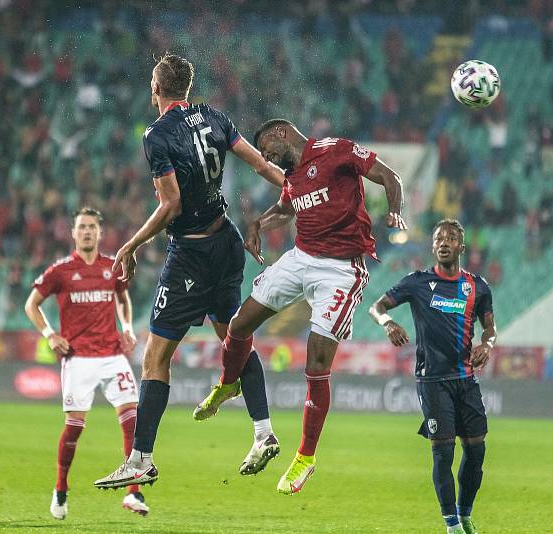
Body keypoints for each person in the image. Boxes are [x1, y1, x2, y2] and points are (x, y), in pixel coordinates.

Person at [93, 54, 287, 490]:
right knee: (235, 339)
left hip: (192, 255)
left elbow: (171, 204)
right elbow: (259, 164)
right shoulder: (214, 116)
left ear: (156, 89)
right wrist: (298, 187)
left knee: (155, 358)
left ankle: (140, 459)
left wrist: (130, 244)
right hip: (227, 243)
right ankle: (263, 431)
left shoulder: (156, 136)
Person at [193, 118, 406, 495]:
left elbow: (390, 177)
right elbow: (285, 209)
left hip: (341, 270)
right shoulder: (293, 178)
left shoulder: (335, 151)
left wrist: (394, 212)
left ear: (279, 135)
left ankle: (305, 457)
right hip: (300, 258)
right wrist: (258, 223)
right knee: (240, 324)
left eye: (267, 150)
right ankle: (228, 384)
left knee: (316, 363)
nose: (266, 159)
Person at [368, 219, 496, 534]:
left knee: (476, 450)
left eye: (451, 238)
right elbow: (377, 306)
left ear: (461, 247)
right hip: (432, 379)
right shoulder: (417, 283)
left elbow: (490, 329)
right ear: (433, 245)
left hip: (466, 379)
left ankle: (465, 514)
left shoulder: (477, 287)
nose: (444, 242)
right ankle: (451, 524)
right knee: (443, 451)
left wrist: (487, 344)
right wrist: (388, 323)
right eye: (439, 237)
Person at [24, 207, 147, 519]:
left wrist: (128, 328)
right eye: (82, 227)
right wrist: (50, 335)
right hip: (78, 359)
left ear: (100, 233)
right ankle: (61, 489)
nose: (88, 232)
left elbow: (123, 297)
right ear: (73, 233)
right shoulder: (61, 271)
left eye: (92, 227)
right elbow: (32, 304)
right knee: (74, 429)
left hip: (112, 356)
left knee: (133, 421)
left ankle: (134, 493)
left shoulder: (111, 267)